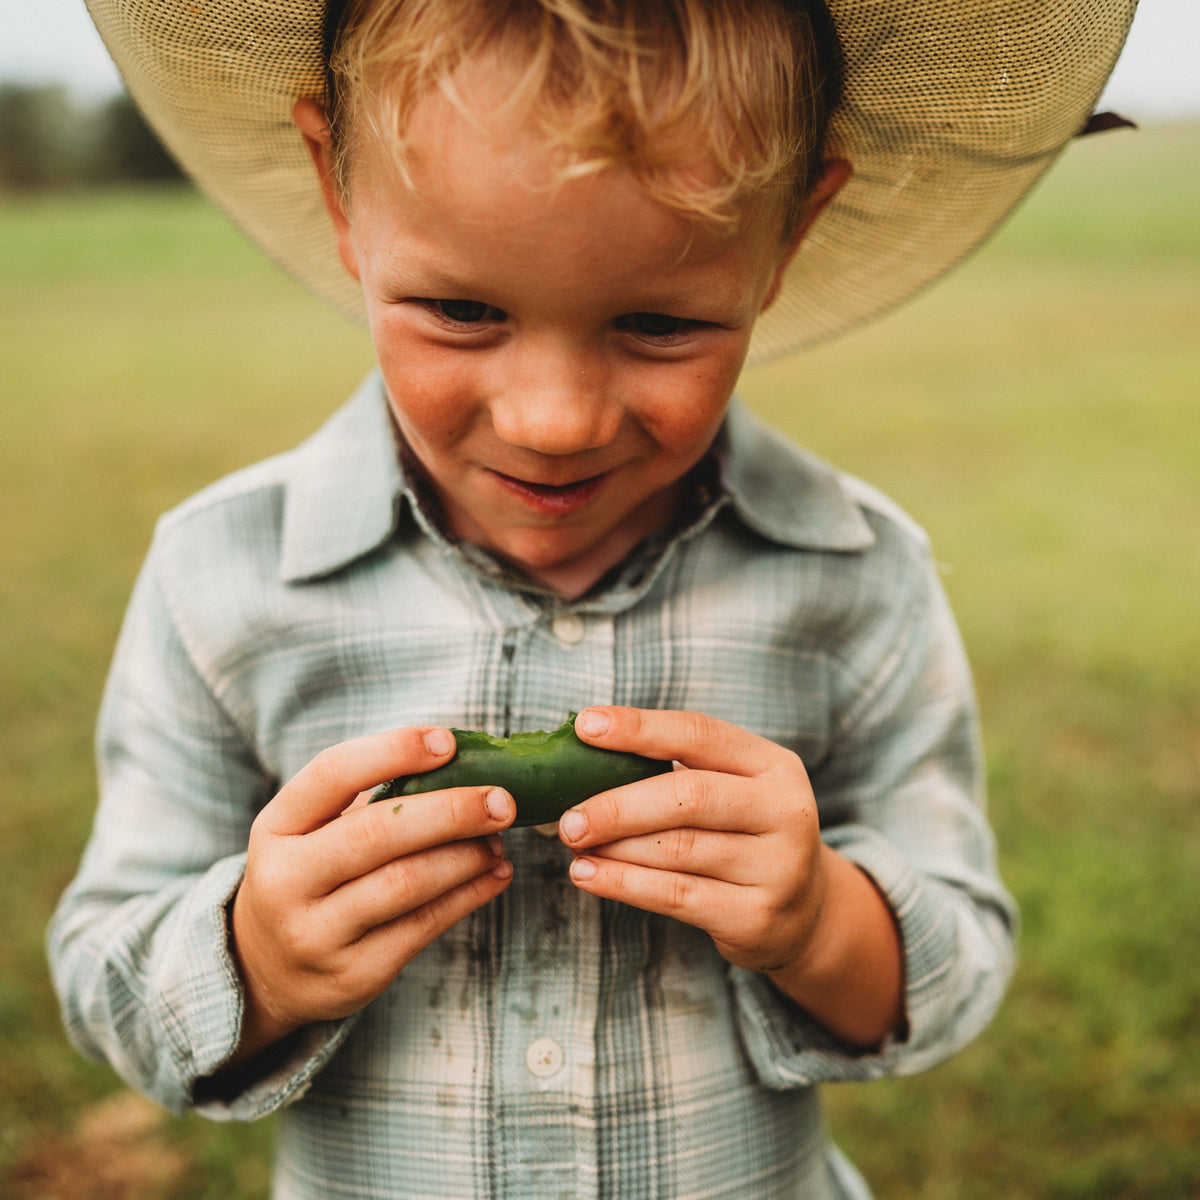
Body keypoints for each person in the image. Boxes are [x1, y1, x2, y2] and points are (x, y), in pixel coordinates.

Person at [50, 0, 1135, 1196]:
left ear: (789, 240)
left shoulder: (854, 575)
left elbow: (959, 963)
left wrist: (821, 919)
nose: (553, 421)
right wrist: (255, 952)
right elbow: (109, 978)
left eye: (659, 323)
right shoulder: (221, 577)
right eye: (463, 310)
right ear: (340, 192)